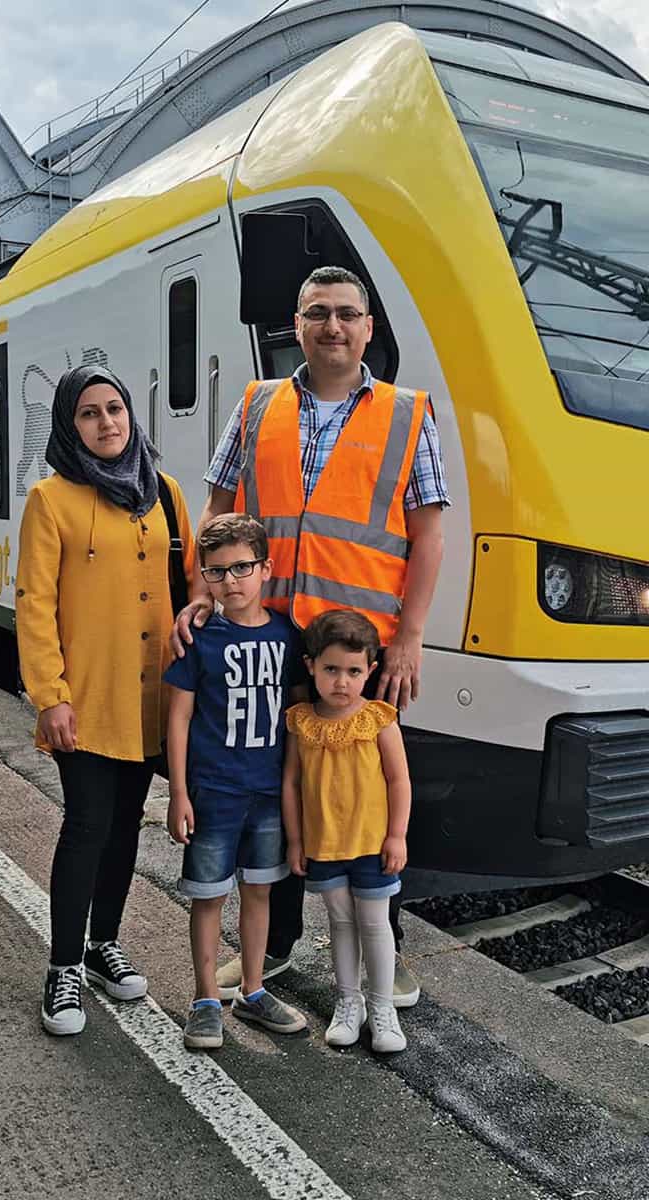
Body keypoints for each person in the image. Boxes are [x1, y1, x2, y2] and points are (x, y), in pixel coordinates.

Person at [171, 264, 449, 1006]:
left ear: (368, 329)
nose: (333, 325)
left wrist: (412, 636)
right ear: (297, 326)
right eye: (318, 312)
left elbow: (429, 537)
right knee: (279, 790)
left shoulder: (406, 412)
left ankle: (388, 947)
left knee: (370, 792)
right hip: (267, 640)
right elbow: (219, 505)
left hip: (361, 654)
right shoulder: (258, 405)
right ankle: (282, 948)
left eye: (348, 314)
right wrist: (204, 591)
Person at [16, 364, 194, 1036]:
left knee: (125, 827)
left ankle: (101, 945)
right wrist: (50, 696)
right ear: (70, 425)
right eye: (89, 413)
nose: (107, 422)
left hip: (150, 698)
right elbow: (34, 605)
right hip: (86, 701)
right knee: (87, 826)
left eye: (115, 408)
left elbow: (195, 584)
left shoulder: (166, 494)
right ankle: (61, 967)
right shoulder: (51, 500)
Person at [164, 513, 307, 1050]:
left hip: (268, 793)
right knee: (207, 896)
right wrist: (178, 792)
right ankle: (205, 998)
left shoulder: (286, 634)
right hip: (214, 792)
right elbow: (177, 717)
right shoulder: (199, 638)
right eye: (217, 572)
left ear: (266, 568)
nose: (231, 581)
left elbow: (296, 720)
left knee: (260, 891)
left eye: (242, 567)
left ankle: (251, 989)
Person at [284, 610, 411, 1052]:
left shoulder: (378, 719)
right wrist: (296, 840)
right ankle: (348, 1002)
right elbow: (292, 784)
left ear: (370, 671)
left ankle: (382, 1007)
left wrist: (397, 835)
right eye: (331, 669)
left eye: (354, 671)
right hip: (324, 843)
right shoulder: (301, 722)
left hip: (372, 844)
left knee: (375, 924)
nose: (342, 681)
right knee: (340, 921)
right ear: (311, 667)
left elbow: (399, 780)